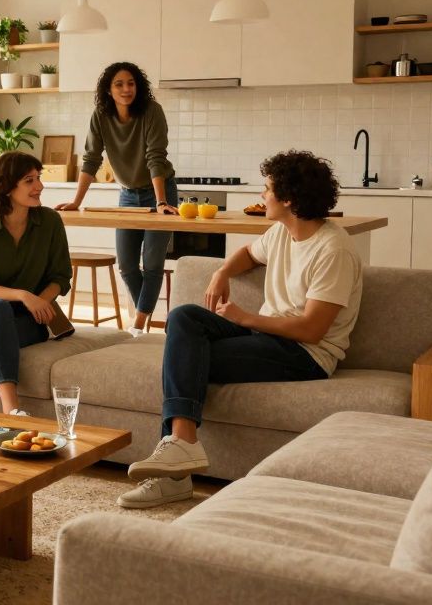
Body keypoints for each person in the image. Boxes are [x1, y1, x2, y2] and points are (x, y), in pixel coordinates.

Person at [118, 150, 362, 509]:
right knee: (184, 317)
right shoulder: (282, 231)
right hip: (267, 338)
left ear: (289, 199)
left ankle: (173, 474)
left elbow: (313, 330)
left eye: (267, 189)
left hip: (305, 354)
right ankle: (182, 446)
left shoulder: (332, 249)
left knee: (187, 358)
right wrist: (221, 273)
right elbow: (248, 254)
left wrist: (244, 317)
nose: (262, 196)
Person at [58, 62, 177, 335]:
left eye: (131, 83)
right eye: (119, 84)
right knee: (125, 265)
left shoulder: (151, 111)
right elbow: (91, 159)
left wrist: (160, 202)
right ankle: (143, 318)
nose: (126, 89)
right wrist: (76, 201)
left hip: (159, 191)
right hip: (127, 195)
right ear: (108, 90)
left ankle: (137, 326)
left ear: (139, 86)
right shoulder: (101, 115)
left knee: (153, 262)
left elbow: (155, 157)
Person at [0, 151, 72, 415]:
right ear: (7, 186)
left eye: (38, 178)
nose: (39, 186)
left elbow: (61, 276)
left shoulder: (50, 222)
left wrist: (40, 299)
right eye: (29, 180)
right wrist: (23, 295)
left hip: (29, 319)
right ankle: (11, 408)